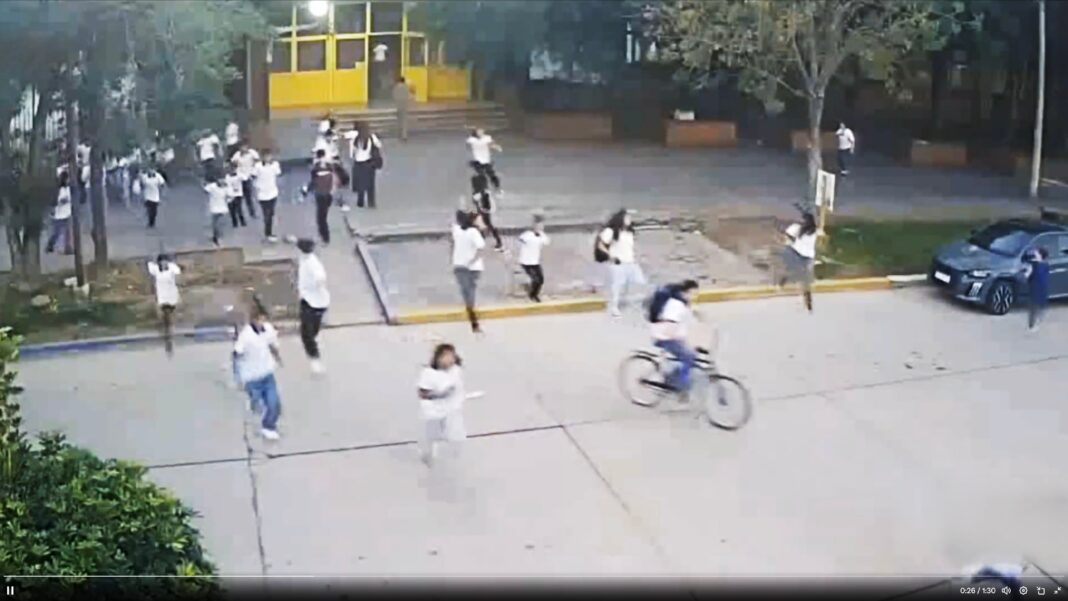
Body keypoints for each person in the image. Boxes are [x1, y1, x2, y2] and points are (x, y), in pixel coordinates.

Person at [233, 303, 284, 441]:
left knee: (274, 403)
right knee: (257, 403)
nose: (262, 323)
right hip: (252, 377)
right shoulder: (246, 336)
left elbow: (272, 344)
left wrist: (277, 357)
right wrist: (237, 376)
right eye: (259, 320)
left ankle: (268, 426)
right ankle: (254, 405)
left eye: (263, 319)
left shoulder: (268, 329)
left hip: (267, 374)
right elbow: (236, 354)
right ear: (253, 320)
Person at [648, 280, 700, 399]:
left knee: (690, 355)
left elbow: (689, 318)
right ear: (684, 292)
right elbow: (670, 323)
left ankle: (673, 378)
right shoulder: (676, 304)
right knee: (689, 357)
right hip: (665, 337)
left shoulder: (683, 302)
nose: (694, 297)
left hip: (672, 336)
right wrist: (677, 337)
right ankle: (679, 385)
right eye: (692, 293)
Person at [417, 343, 467, 466]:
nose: (449, 360)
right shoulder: (428, 373)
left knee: (455, 436)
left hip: (452, 411)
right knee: (433, 436)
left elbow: (458, 388)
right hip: (434, 411)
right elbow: (422, 394)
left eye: (452, 356)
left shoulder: (456, 371)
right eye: (446, 356)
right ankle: (430, 456)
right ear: (438, 358)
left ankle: (454, 458)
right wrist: (440, 394)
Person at [597, 209, 646, 317]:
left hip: (631, 262)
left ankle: (633, 304)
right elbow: (601, 245)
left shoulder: (629, 233)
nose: (629, 220)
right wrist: (610, 255)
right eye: (627, 218)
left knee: (639, 282)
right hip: (618, 263)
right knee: (617, 286)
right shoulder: (611, 231)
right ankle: (614, 307)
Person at [296, 238, 330, 374]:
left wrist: (315, 285)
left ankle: (315, 358)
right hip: (313, 300)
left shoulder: (312, 263)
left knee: (306, 333)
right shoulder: (305, 258)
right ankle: (314, 341)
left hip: (312, 301)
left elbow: (320, 277)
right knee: (310, 330)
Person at [451, 210, 486, 334]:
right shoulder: (472, 232)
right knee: (469, 292)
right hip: (468, 267)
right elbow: (481, 248)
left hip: (465, 267)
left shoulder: (459, 230)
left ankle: (472, 316)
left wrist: (472, 261)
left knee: (467, 292)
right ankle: (472, 316)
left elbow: (481, 248)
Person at [779, 211, 819, 313]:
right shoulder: (813, 230)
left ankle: (782, 282)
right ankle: (808, 303)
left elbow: (787, 236)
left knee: (792, 271)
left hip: (799, 254)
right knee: (806, 281)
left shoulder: (799, 228)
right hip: (807, 256)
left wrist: (788, 239)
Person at [147, 255, 182, 356]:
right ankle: (167, 332)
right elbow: (149, 265)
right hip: (162, 296)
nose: (164, 263)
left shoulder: (172, 268)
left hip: (171, 295)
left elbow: (178, 273)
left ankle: (169, 331)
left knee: (170, 313)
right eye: (162, 262)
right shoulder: (156, 270)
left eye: (165, 261)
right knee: (165, 314)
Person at [347, 122, 382, 209]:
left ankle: (360, 201)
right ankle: (371, 202)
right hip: (369, 162)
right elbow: (379, 145)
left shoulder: (354, 138)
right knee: (371, 183)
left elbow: (351, 153)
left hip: (358, 163)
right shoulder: (371, 136)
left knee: (360, 183)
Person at [517, 213, 550, 303]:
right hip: (526, 262)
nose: (539, 227)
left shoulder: (542, 236)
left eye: (541, 226)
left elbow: (547, 242)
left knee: (541, 279)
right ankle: (532, 295)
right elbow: (520, 240)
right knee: (535, 279)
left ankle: (534, 293)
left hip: (535, 262)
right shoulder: (527, 235)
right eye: (537, 226)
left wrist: (541, 234)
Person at [306, 149, 336, 244]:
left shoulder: (317, 168)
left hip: (323, 195)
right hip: (324, 195)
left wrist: (307, 190)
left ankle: (325, 237)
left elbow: (313, 182)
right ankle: (324, 236)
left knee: (321, 218)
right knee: (322, 217)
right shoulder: (327, 167)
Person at [253, 150, 282, 242]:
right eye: (265, 156)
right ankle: (268, 233)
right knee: (267, 214)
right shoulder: (258, 166)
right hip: (262, 194)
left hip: (273, 193)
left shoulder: (275, 165)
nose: (267, 158)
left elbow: (278, 173)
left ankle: (269, 232)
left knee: (271, 213)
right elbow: (253, 176)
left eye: (269, 156)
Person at [470, 173, 502, 250]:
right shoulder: (482, 192)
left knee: (486, 224)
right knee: (483, 224)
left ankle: (497, 241)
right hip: (484, 209)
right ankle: (484, 240)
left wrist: (481, 210)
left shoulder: (483, 193)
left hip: (486, 210)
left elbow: (486, 205)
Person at [466, 128, 502, 193]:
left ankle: (497, 188)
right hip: (477, 161)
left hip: (486, 161)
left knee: (492, 174)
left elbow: (491, 144)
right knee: (480, 175)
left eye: (481, 131)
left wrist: (496, 147)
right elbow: (468, 145)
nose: (480, 132)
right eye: (478, 131)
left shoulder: (487, 138)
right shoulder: (472, 139)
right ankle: (483, 189)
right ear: (476, 132)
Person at [46, 171, 73, 255]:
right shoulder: (58, 190)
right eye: (67, 179)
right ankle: (50, 244)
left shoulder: (68, 189)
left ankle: (68, 248)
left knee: (68, 232)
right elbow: (54, 201)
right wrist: (61, 201)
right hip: (59, 214)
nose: (69, 180)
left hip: (67, 213)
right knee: (56, 233)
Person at [231, 142, 260, 219]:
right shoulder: (237, 155)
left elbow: (257, 162)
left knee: (249, 197)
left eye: (244, 147)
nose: (243, 148)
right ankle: (239, 214)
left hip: (249, 176)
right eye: (241, 147)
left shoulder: (252, 153)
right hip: (240, 177)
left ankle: (252, 213)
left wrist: (254, 172)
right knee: (238, 197)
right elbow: (233, 164)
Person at [1025, 247, 1050, 332]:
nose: (1034, 253)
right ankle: (1036, 324)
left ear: (1040, 255)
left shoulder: (1033, 265)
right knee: (1040, 308)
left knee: (1033, 308)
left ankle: (1032, 325)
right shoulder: (1045, 265)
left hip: (1034, 288)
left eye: (1036, 252)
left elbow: (1027, 275)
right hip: (1042, 288)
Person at [204, 175, 229, 247]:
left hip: (223, 209)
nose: (221, 181)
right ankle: (216, 238)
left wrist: (228, 200)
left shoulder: (226, 188)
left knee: (220, 224)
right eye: (220, 179)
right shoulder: (212, 186)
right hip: (214, 208)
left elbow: (230, 195)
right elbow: (205, 191)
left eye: (223, 179)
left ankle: (217, 238)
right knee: (215, 225)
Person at [391, 77, 412, 141]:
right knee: (404, 121)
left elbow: (394, 96)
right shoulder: (406, 87)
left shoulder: (396, 87)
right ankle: (404, 135)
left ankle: (399, 134)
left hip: (398, 105)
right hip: (404, 105)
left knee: (399, 120)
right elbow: (409, 96)